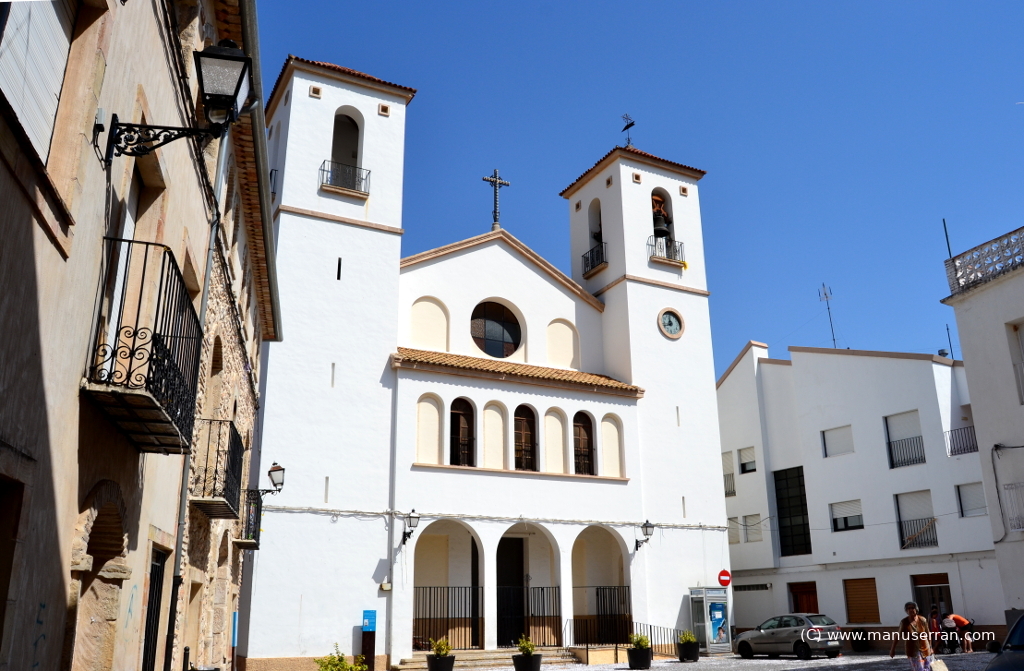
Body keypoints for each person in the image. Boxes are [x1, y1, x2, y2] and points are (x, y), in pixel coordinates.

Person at [890, 601, 934, 671]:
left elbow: (928, 634)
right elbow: (898, 636)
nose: (910, 610)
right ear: (906, 611)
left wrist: (931, 647)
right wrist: (892, 649)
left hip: (926, 649)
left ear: (916, 609)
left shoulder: (922, 620)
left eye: (912, 608)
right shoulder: (904, 622)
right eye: (908, 608)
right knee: (919, 669)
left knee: (927, 669)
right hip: (913, 651)